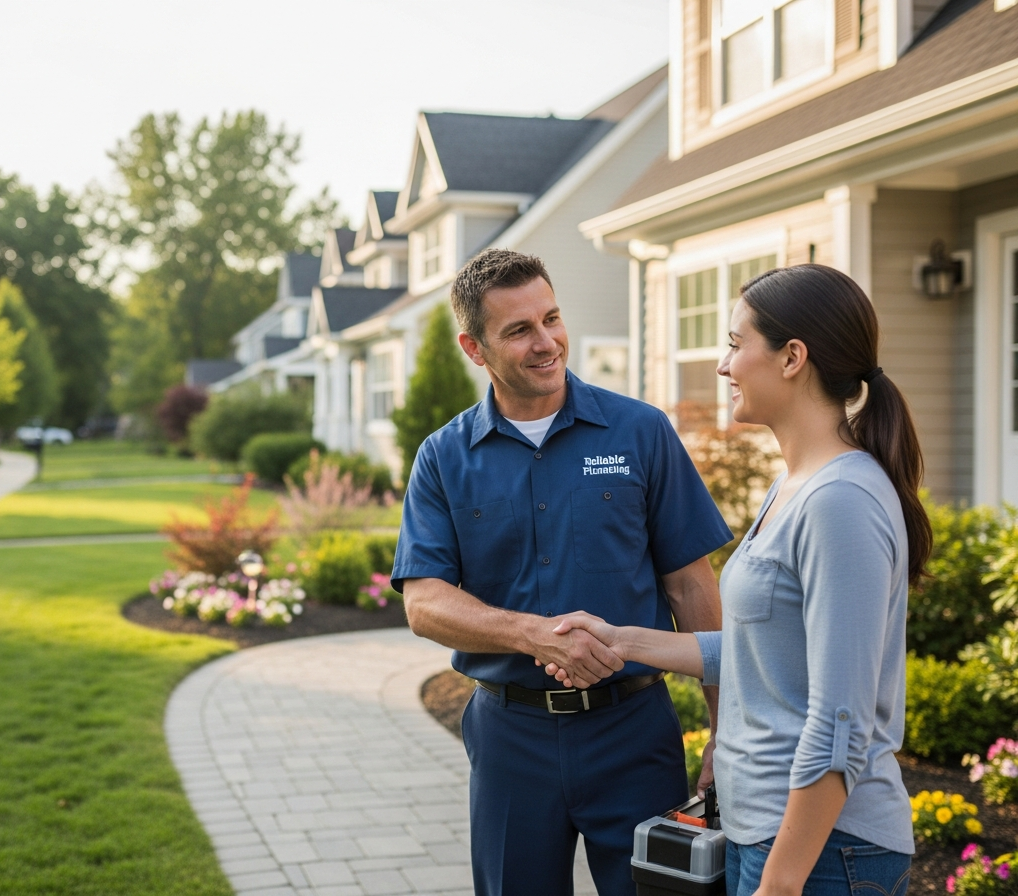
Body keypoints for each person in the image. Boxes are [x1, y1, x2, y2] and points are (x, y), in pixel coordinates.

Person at [548, 264, 926, 895]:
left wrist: (778, 884)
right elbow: (761, 651)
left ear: (792, 358)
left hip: (825, 855)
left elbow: (841, 724)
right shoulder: (794, 485)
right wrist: (619, 641)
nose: (723, 367)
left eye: (734, 343)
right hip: (776, 840)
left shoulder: (840, 501)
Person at [390, 248, 732, 896]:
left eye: (551, 318)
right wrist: (532, 635)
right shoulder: (443, 457)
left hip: (633, 733)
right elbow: (424, 603)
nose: (546, 342)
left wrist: (725, 729)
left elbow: (691, 585)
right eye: (519, 330)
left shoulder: (641, 432)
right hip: (510, 736)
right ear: (475, 347)